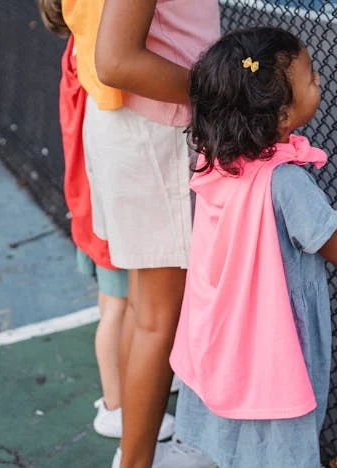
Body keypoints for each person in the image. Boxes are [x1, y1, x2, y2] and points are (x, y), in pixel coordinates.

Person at [169, 27, 337, 467]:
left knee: (234, 434)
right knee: (278, 433)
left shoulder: (218, 159)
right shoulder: (287, 182)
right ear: (280, 117)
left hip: (222, 333)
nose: (319, 82)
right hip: (276, 342)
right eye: (311, 78)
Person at [64, 0, 220, 465]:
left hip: (135, 129)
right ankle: (135, 461)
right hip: (154, 130)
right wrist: (228, 89)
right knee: (156, 319)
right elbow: (117, 61)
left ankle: (135, 454)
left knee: (144, 310)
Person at [38, 0, 174, 445]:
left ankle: (136, 386)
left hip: (93, 203)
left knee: (126, 308)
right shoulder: (94, 65)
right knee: (119, 310)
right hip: (100, 206)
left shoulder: (78, 53)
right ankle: (115, 406)